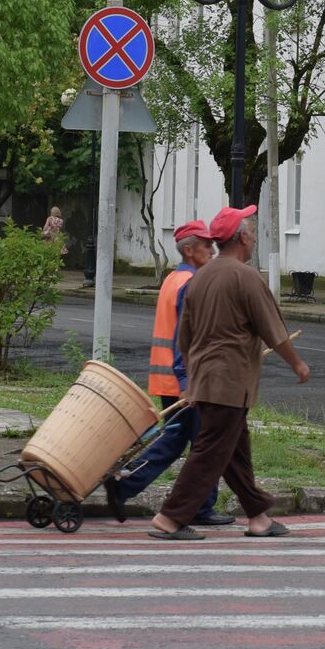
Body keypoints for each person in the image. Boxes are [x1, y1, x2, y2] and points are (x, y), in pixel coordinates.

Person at [149, 205, 310, 541]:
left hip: (207, 380)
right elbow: (274, 331)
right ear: (241, 238)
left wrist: (191, 378)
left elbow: (184, 339)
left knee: (235, 451)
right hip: (229, 381)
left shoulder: (200, 277)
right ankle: (170, 517)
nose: (254, 239)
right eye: (252, 233)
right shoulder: (245, 277)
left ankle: (258, 516)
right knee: (209, 452)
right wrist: (297, 363)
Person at [102, 220, 234, 527]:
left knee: (178, 441)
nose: (213, 250)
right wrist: (188, 381)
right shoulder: (190, 284)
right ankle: (197, 506)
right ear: (189, 250)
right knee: (206, 443)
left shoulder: (174, 279)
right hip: (184, 380)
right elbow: (182, 337)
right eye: (206, 245)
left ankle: (128, 486)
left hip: (169, 378)